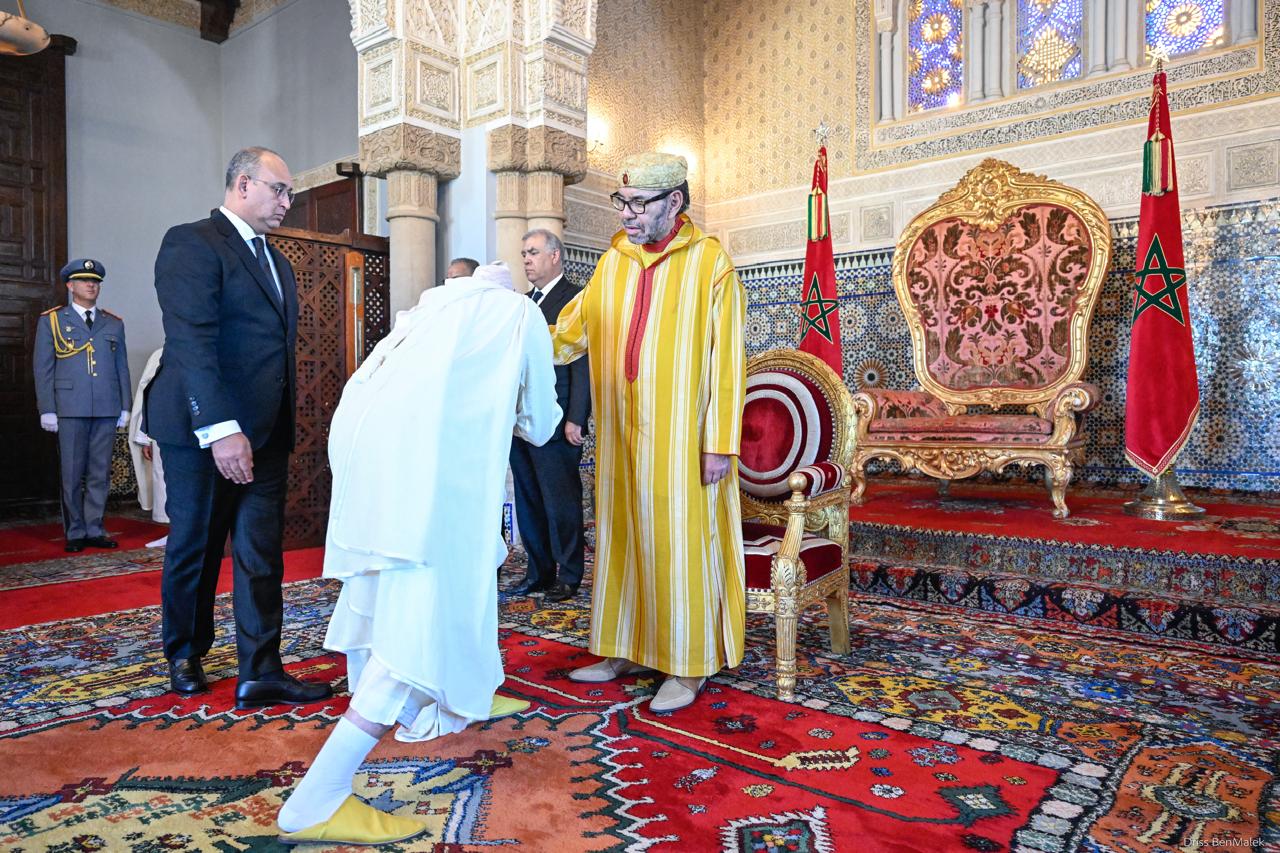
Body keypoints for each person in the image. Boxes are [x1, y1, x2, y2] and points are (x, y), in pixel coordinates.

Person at [274, 262, 560, 846]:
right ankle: (319, 796)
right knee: (423, 613)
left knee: (404, 590)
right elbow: (538, 422)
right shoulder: (517, 311)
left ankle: (459, 698)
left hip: (368, 467)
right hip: (430, 478)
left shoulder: (427, 310)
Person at [550, 152, 747, 713]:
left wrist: (719, 443)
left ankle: (687, 666)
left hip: (684, 440)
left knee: (676, 547)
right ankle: (623, 649)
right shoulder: (614, 261)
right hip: (620, 435)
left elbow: (727, 360)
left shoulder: (712, 264)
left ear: (674, 203)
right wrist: (507, 336)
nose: (627, 215)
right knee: (621, 538)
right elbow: (571, 334)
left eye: (639, 205)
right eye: (623, 202)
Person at [145, 146, 332, 710]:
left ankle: (261, 669)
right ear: (243, 184)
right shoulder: (192, 242)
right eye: (280, 190)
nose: (287, 202)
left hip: (265, 433)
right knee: (195, 544)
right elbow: (192, 342)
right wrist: (222, 428)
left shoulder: (277, 260)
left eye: (290, 192)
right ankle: (185, 652)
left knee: (260, 552)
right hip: (203, 429)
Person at [509, 229, 591, 602]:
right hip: (522, 422)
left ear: (555, 256)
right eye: (524, 253)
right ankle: (538, 572)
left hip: (558, 422)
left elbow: (582, 363)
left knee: (560, 502)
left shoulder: (575, 299)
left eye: (534, 252)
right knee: (529, 500)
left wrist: (577, 417)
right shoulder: (523, 304)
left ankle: (569, 575)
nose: (526, 259)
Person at [33, 258, 131, 553]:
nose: (92, 285)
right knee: (72, 473)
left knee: (100, 472)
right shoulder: (52, 320)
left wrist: (125, 406)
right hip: (69, 407)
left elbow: (121, 367)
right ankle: (75, 530)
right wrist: (47, 408)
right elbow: (43, 368)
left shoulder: (113, 322)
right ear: (70, 285)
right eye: (85, 281)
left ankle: (95, 528)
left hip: (106, 405)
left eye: (96, 281)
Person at [129, 347, 168, 527]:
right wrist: (144, 436)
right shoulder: (160, 354)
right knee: (163, 475)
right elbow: (147, 396)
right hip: (164, 427)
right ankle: (170, 528)